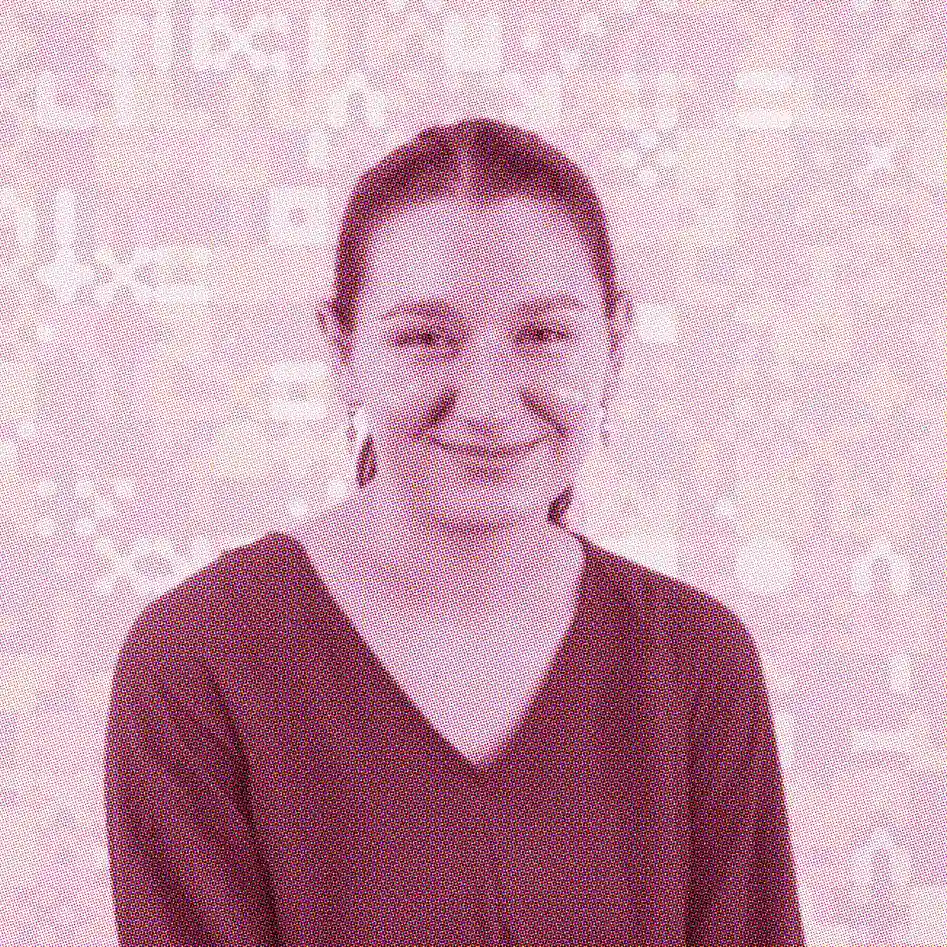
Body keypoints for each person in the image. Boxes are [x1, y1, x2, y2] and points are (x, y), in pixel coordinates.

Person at [104, 117, 807, 946]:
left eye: (543, 334)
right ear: (341, 348)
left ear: (615, 343)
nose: (488, 403)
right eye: (425, 338)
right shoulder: (199, 659)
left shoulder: (695, 662)